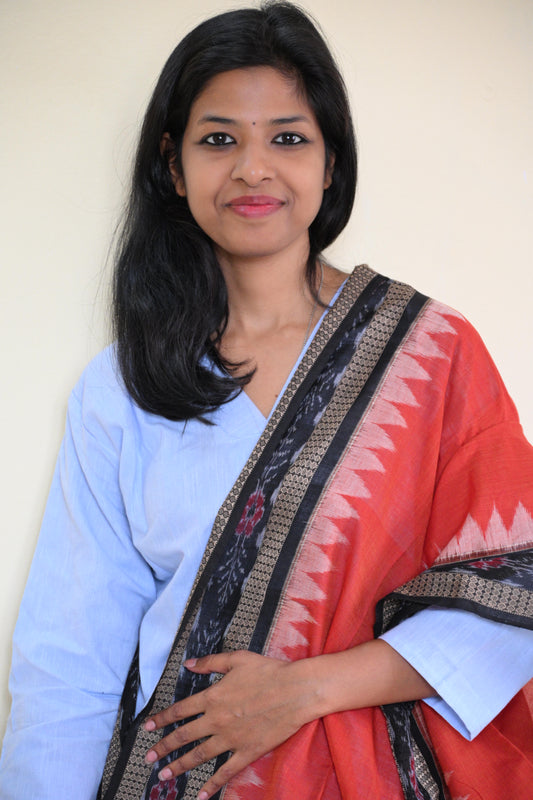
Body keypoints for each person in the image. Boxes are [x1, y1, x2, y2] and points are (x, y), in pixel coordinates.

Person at [1, 2, 532, 799]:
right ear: (174, 168)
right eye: (219, 139)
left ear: (329, 164)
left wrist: (304, 690)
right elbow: (69, 664)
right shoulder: (125, 386)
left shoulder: (431, 355)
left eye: (288, 137)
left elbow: (514, 587)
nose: (253, 168)